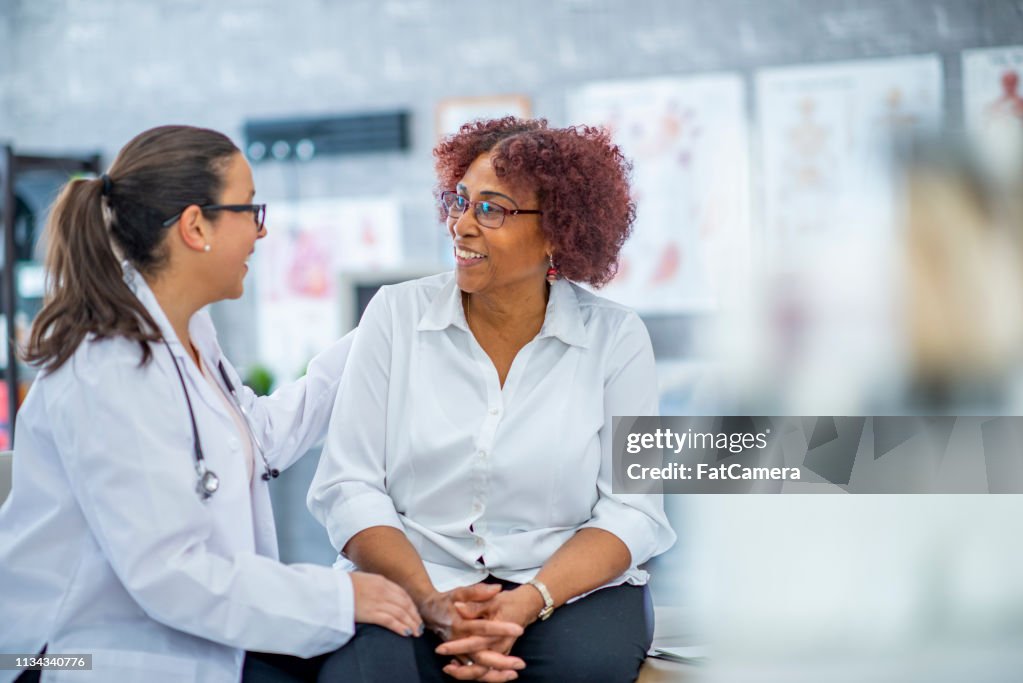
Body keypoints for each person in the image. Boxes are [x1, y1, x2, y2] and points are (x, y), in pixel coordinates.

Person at [0, 125, 424, 683]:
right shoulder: (108, 369)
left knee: (379, 653)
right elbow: (170, 574)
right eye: (250, 209)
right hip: (76, 654)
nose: (261, 230)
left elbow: (255, 438)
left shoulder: (188, 330)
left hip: (183, 632)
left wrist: (383, 329)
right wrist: (336, 596)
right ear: (196, 225)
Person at [308, 117, 676, 682]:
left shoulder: (615, 337)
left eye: (492, 209)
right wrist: (432, 603)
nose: (461, 225)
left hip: (562, 588)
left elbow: (633, 508)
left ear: (559, 231)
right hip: (414, 576)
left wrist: (526, 603)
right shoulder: (394, 315)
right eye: (460, 201)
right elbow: (349, 486)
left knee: (584, 669)